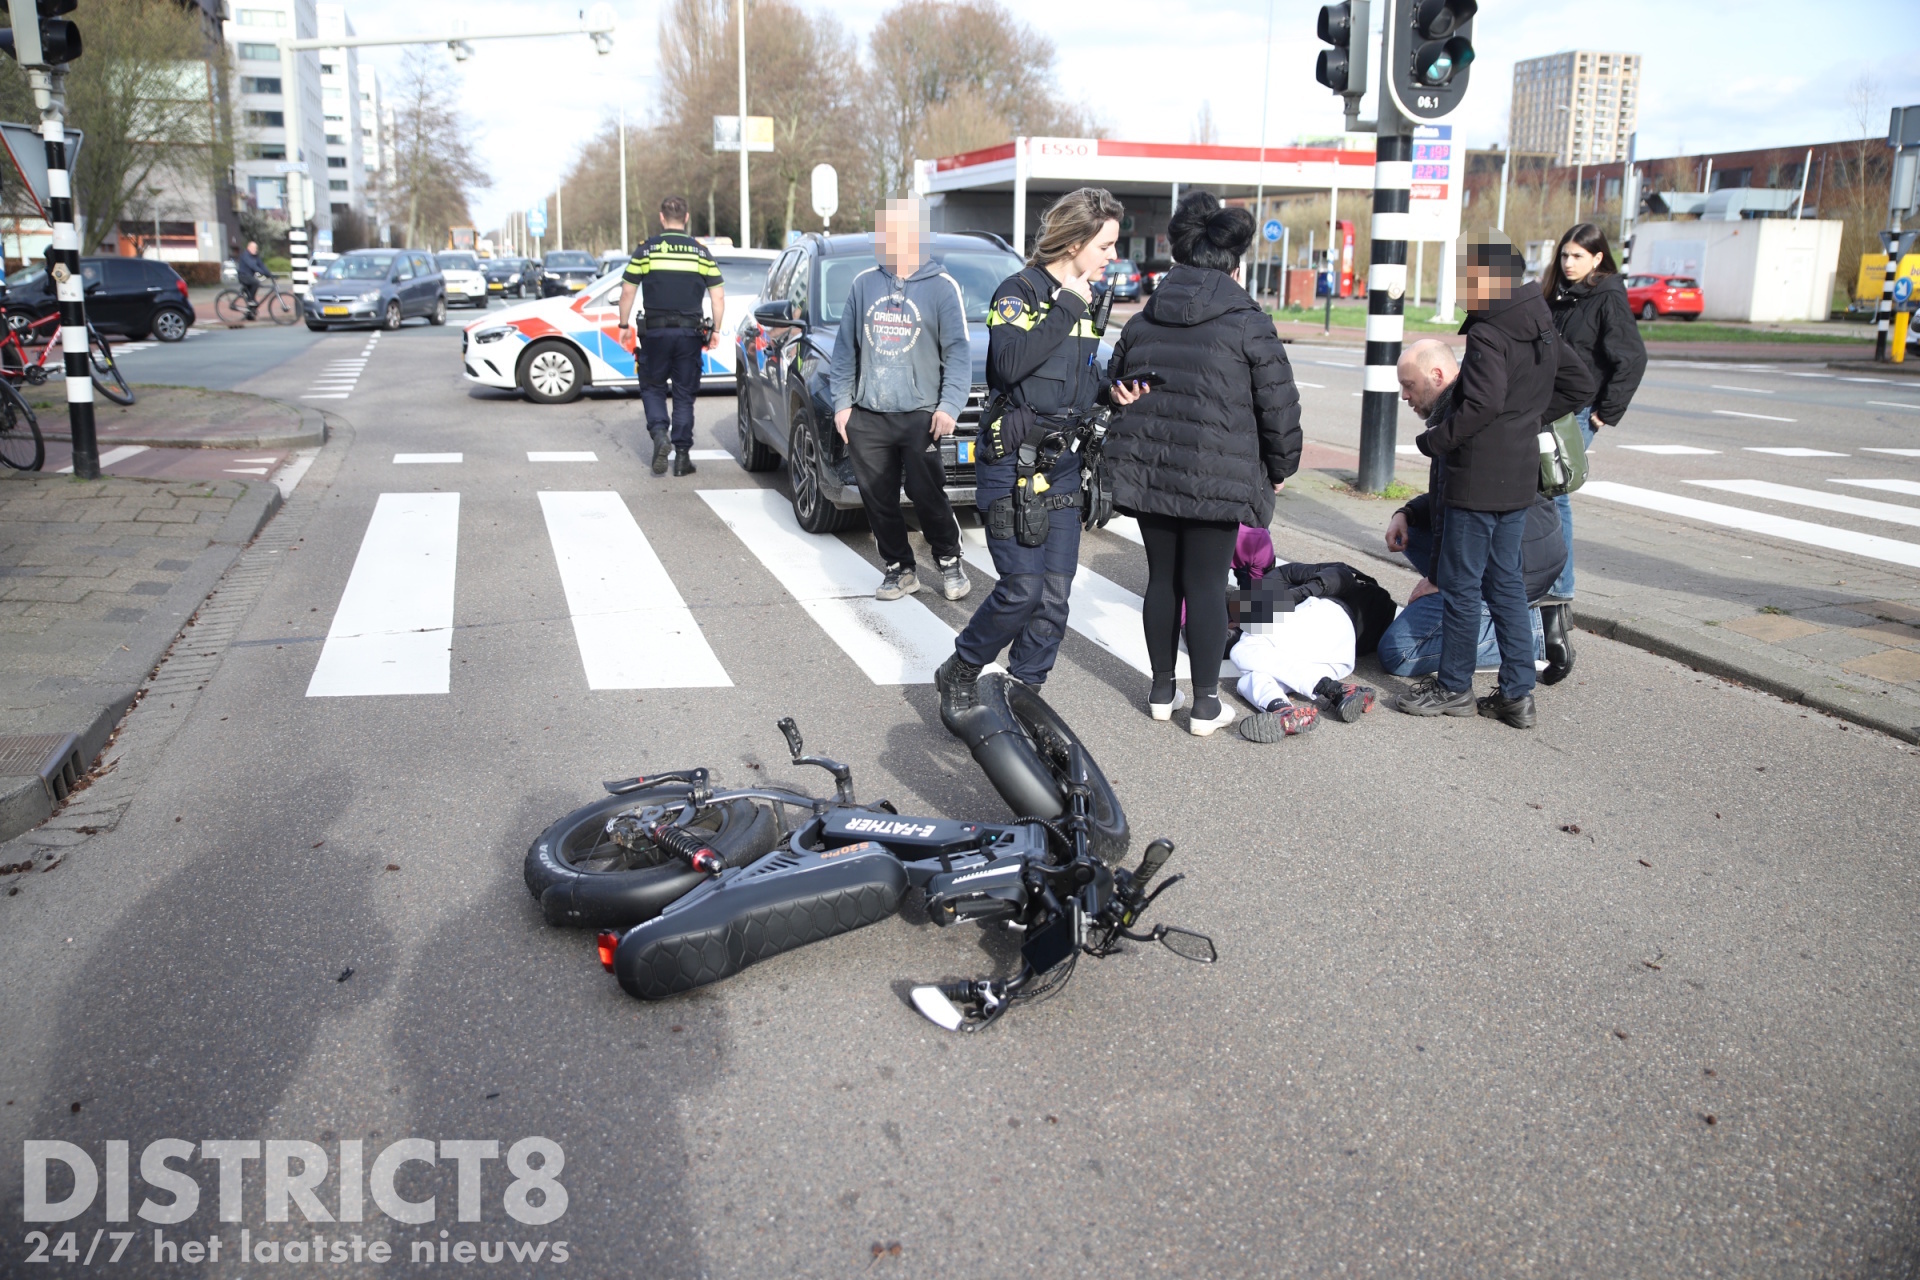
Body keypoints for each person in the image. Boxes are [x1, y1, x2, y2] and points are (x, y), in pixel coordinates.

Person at [1102, 190, 1301, 736]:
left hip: (1150, 472)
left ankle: (1162, 690)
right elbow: (1277, 404)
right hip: (1220, 474)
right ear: (1233, 266)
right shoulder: (1248, 323)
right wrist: (1281, 467)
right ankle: (1206, 704)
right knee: (1208, 585)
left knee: (1161, 578)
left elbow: (1116, 385)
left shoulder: (1143, 321)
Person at [936, 188, 1144, 713]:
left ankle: (1024, 692)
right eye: (1107, 245)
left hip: (1064, 465)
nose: (1113, 257)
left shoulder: (1093, 297)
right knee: (1022, 589)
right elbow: (1006, 368)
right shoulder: (1019, 292)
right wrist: (1067, 303)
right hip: (1012, 463)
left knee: (1054, 598)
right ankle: (961, 665)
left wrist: (1110, 392)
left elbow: (1073, 377)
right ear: (1074, 241)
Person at [1396, 231, 1574, 730]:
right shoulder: (1539, 319)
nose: (1460, 285)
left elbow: (1483, 403)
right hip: (1518, 478)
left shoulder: (1492, 330)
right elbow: (1578, 382)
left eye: (1464, 275)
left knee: (1461, 587)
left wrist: (1436, 441)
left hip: (1476, 478)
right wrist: (1527, 420)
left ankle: (1454, 688)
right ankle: (1517, 695)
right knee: (1506, 588)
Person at [1381, 340, 1588, 680]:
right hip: (1526, 545)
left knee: (1397, 653)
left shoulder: (1465, 422)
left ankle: (1534, 634)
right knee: (1413, 531)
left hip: (1517, 563)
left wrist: (1440, 580)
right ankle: (1498, 612)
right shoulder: (1460, 408)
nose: (1404, 396)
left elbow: (1467, 510)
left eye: (1408, 386)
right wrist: (1407, 512)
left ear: (1436, 375)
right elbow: (1447, 497)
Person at [828, 198, 972, 602]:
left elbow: (957, 353)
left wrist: (949, 406)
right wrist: (843, 405)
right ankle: (899, 568)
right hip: (868, 414)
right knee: (878, 499)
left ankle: (948, 560)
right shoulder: (863, 284)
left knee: (928, 495)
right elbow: (845, 351)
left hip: (920, 415)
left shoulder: (942, 287)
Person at [1540, 221, 1647, 680]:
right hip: (1546, 407)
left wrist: (1606, 412)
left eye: (1577, 257)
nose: (1568, 264)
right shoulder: (1557, 294)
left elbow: (1631, 357)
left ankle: (1558, 599)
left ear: (1598, 258)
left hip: (1579, 412)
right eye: (1564, 255)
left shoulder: (1606, 297)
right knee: (1541, 492)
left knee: (1554, 491)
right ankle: (1545, 595)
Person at [1227, 542, 1396, 744]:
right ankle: (1283, 709)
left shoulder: (1274, 582)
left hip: (1329, 615)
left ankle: (1332, 688)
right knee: (1249, 679)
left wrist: (1290, 598)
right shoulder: (1255, 634)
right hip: (1335, 659)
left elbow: (1340, 573)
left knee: (1242, 650)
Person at [617, 196, 726, 477]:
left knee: (652, 387)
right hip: (690, 335)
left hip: (654, 333)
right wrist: (715, 330)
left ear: (662, 218)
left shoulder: (647, 250)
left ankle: (659, 434)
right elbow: (718, 296)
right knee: (683, 394)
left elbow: (627, 291)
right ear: (686, 218)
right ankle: (682, 458)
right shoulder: (701, 253)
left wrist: (623, 324)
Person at [235, 241, 269, 320]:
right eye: (253, 248)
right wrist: (262, 273)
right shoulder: (245, 255)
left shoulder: (255, 256)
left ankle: (249, 314)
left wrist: (269, 274)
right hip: (243, 276)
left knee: (252, 296)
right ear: (248, 248)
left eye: (256, 248)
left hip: (250, 277)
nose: (255, 249)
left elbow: (261, 265)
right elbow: (252, 266)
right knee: (256, 283)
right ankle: (251, 301)